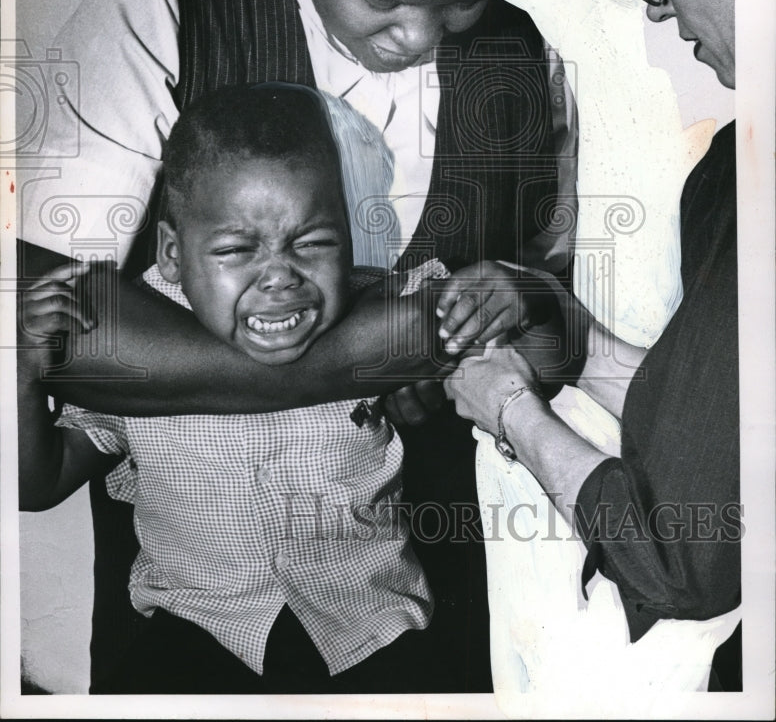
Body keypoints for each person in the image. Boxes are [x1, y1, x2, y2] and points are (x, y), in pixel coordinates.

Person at [18, 0, 571, 691]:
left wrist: (502, 311)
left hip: (412, 616)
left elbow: (547, 317)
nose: (423, 35)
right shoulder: (164, 1)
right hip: (193, 632)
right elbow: (67, 332)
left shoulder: (517, 56)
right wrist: (396, 344)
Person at [19, 82, 520, 694]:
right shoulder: (136, 352)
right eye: (235, 249)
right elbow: (36, 486)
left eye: (312, 243)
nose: (280, 276)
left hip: (374, 628)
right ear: (173, 254)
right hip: (197, 631)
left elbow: (505, 328)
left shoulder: (384, 312)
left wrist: (510, 289)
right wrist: (21, 373)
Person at [445, 0, 741, 693]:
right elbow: (721, 456)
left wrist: (509, 411)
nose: (659, 14)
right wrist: (571, 336)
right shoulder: (733, 175)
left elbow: (684, 556)